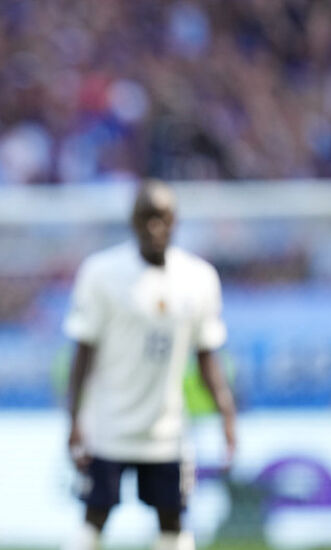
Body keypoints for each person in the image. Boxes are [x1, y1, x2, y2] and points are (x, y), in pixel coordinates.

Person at [64, 180, 236, 550]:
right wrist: (74, 419)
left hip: (166, 431)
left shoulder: (199, 278)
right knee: (93, 519)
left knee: (172, 522)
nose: (154, 227)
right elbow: (82, 354)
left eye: (162, 218)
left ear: (176, 221)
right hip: (108, 426)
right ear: (132, 222)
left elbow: (207, 355)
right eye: (146, 218)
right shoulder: (101, 273)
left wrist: (227, 415)